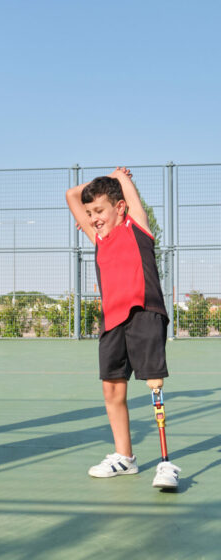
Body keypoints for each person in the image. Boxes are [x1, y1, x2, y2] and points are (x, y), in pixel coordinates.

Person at [65, 167, 181, 488]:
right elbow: (71, 196)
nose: (93, 217)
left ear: (120, 208)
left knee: (153, 383)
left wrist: (120, 179)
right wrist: (104, 181)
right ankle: (124, 457)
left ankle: (165, 463)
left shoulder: (138, 227)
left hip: (144, 313)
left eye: (99, 211)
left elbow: (128, 197)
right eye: (89, 213)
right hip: (112, 320)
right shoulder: (98, 237)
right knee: (111, 389)